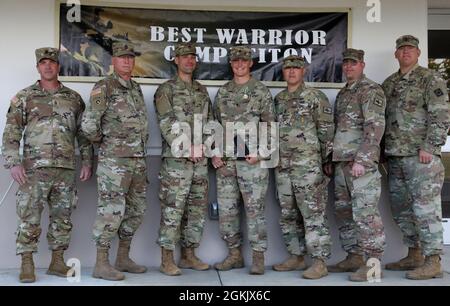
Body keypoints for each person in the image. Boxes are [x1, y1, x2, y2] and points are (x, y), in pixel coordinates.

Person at [1, 47, 93, 283]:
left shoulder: (73, 98)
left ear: (58, 66)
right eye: (43, 63)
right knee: (29, 216)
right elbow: (11, 132)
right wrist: (13, 162)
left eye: (52, 62)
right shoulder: (24, 96)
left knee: (62, 217)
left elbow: (83, 134)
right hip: (33, 169)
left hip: (65, 168)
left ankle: (57, 262)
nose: (48, 66)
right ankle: (27, 263)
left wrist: (87, 162)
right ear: (38, 67)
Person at [382, 35, 450, 280]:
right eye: (401, 49)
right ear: (396, 54)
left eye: (410, 48)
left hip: (421, 157)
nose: (406, 52)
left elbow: (441, 115)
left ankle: (433, 261)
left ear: (419, 52)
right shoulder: (389, 84)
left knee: (426, 209)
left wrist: (430, 147)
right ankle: (415, 254)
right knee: (402, 209)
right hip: (395, 157)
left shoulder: (430, 79)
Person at [81, 41, 149, 281]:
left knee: (136, 210)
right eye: (122, 57)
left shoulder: (135, 88)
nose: (127, 61)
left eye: (131, 57)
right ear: (113, 61)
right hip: (114, 163)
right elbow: (89, 126)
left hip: (137, 161)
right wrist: (107, 144)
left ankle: (123, 258)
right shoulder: (104, 86)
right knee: (110, 211)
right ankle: (101, 263)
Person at [212, 45, 275, 275]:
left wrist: (261, 153)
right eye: (235, 61)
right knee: (227, 211)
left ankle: (258, 258)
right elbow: (215, 125)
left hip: (252, 162)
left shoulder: (260, 91)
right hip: (227, 162)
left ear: (250, 63)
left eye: (243, 61)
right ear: (231, 64)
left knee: (254, 211)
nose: (239, 64)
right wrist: (215, 152)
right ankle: (234, 255)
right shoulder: (224, 91)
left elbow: (270, 126)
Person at [272, 55, 334, 279]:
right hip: (283, 166)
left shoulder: (315, 97)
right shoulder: (278, 99)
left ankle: (319, 261)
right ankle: (296, 256)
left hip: (307, 166)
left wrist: (327, 161)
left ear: (304, 71)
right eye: (288, 68)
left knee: (313, 213)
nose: (291, 72)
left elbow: (326, 131)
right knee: (288, 213)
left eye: (296, 68)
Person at [154, 42, 213, 276]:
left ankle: (189, 255)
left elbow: (210, 122)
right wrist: (188, 148)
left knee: (196, 210)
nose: (189, 60)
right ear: (176, 60)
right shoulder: (166, 89)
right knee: (173, 209)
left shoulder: (202, 90)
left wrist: (205, 147)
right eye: (184, 57)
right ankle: (166, 259)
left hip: (200, 161)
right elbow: (166, 122)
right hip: (177, 161)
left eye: (192, 57)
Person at [329, 48, 386, 282]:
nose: (349, 67)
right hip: (342, 163)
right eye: (346, 63)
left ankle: (373, 267)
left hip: (360, 165)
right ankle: (353, 257)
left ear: (362, 65)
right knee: (344, 213)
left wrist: (362, 159)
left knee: (366, 215)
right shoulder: (344, 93)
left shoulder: (370, 90)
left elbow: (374, 126)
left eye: (354, 63)